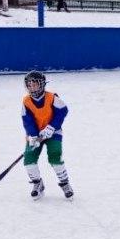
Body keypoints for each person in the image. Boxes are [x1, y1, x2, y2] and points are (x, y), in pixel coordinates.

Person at [21, 70, 73, 200]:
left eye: (35, 84)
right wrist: (33, 136)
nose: (32, 87)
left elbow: (62, 111)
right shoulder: (26, 101)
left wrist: (51, 128)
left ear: (42, 84)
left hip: (54, 133)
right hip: (36, 135)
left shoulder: (51, 97)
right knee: (28, 159)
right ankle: (38, 184)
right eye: (29, 85)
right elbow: (27, 120)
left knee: (55, 156)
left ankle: (65, 184)